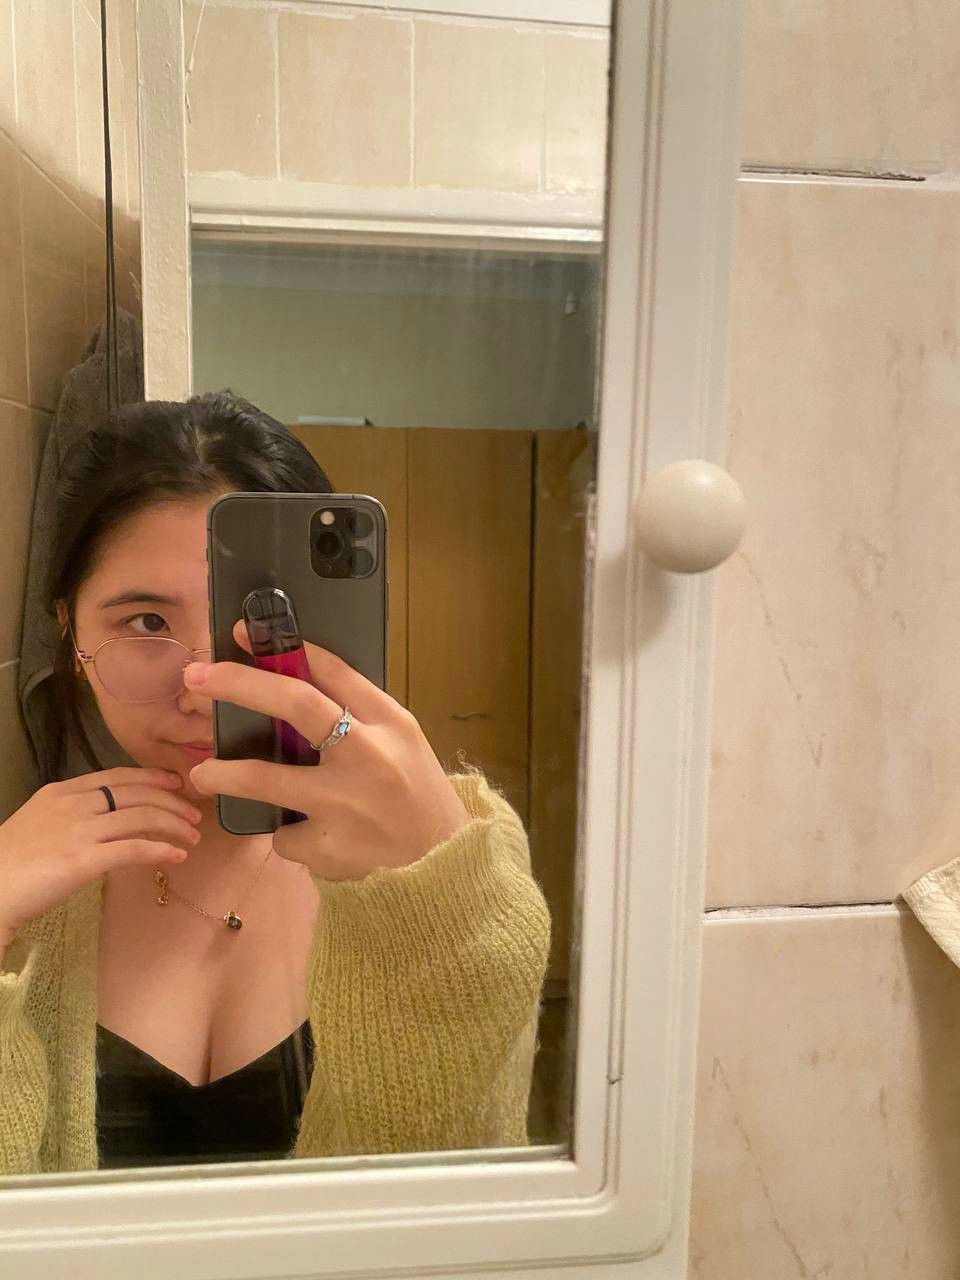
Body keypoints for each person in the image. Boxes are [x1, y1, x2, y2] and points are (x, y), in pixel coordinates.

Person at [0, 392, 551, 1174]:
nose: (204, 689)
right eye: (147, 623)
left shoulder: (446, 857)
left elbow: (465, 1191)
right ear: (70, 631)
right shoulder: (27, 883)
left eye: (263, 624)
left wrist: (435, 910)